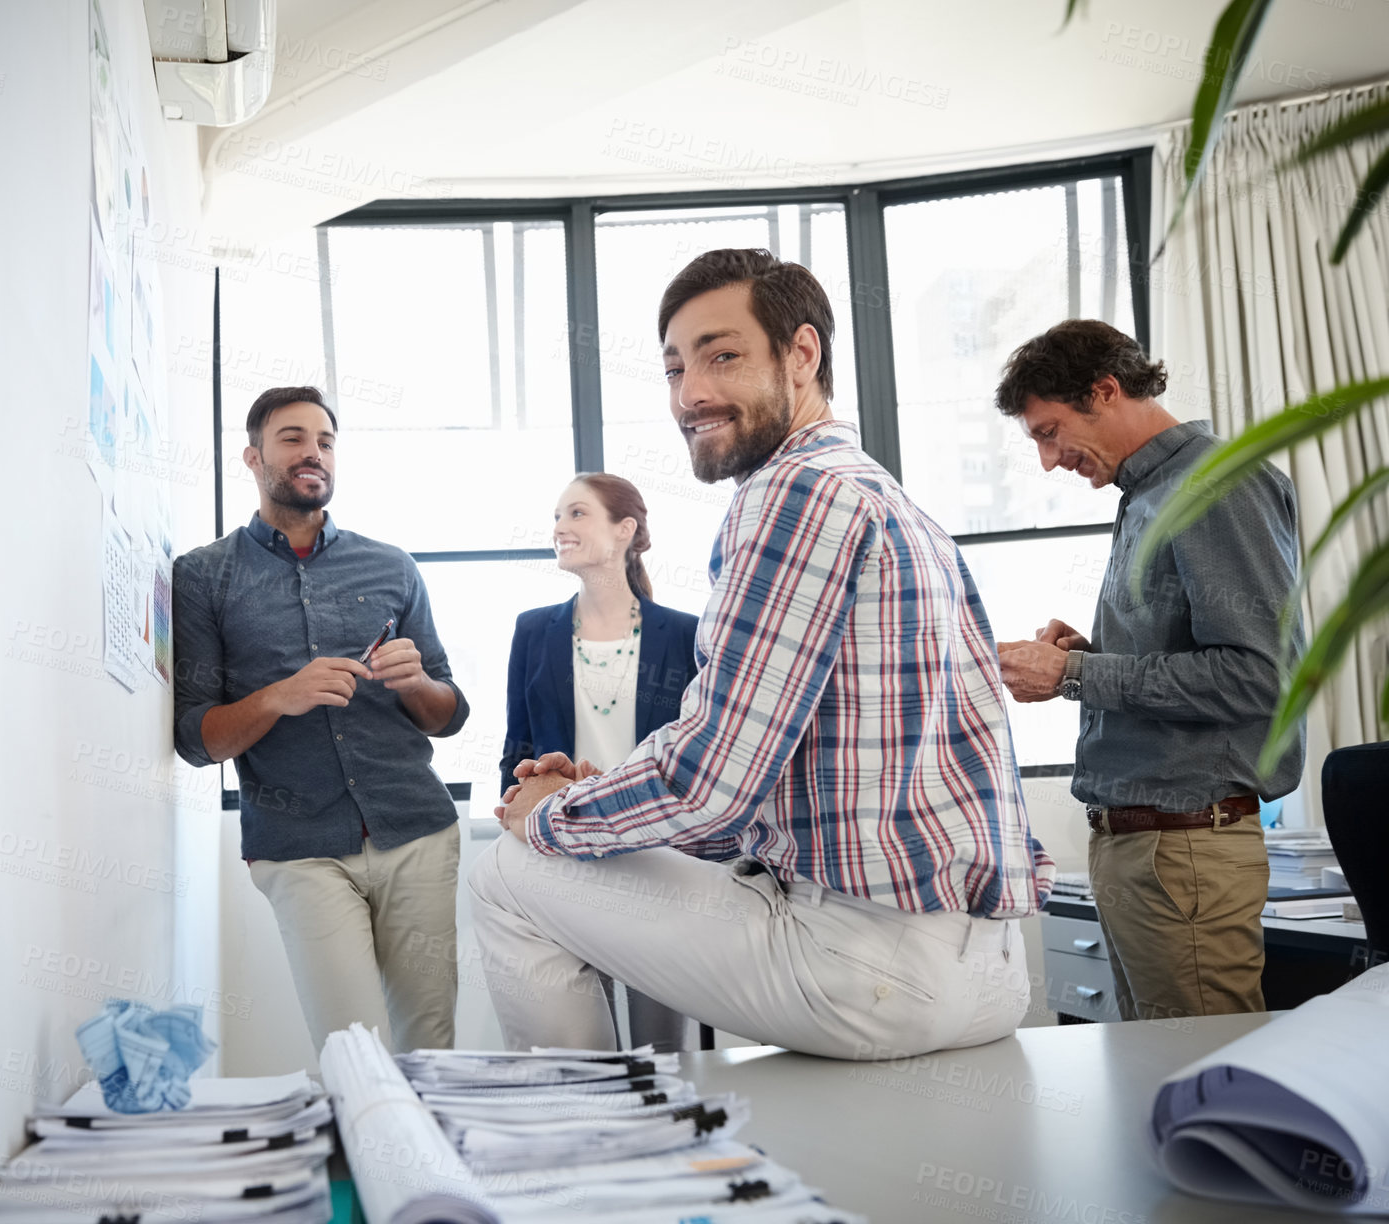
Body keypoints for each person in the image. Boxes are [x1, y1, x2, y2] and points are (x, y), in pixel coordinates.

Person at [469, 249, 1052, 1061]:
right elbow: (761, 782)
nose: (690, 394)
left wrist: (550, 816)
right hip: (986, 970)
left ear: (802, 355)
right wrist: (610, 800)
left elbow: (709, 784)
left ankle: (589, 1145)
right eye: (675, 368)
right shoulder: (890, 499)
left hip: (870, 968)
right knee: (581, 847)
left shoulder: (791, 492)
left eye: (722, 355)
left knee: (506, 872)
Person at [992, 319, 1303, 1022]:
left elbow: (1259, 678)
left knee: (1202, 1087)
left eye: (1049, 432)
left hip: (1185, 851)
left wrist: (1074, 678)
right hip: (1147, 851)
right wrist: (1089, 657)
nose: (1047, 461)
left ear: (1104, 390)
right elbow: (1191, 659)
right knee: (1156, 1087)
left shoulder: (1216, 485)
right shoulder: (1151, 493)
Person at [172, 386, 470, 1053]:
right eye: (293, 439)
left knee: (430, 1047)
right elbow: (197, 740)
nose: (314, 453)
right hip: (298, 846)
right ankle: (368, 1160)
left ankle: (432, 1162)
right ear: (253, 457)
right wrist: (280, 696)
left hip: (415, 830)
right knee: (352, 1050)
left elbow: (448, 714)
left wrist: (418, 681)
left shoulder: (391, 566)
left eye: (326, 441)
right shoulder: (202, 578)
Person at [501, 473, 701, 1051]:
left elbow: (695, 757)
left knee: (669, 1049)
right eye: (557, 516)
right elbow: (517, 750)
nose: (560, 527)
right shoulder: (533, 630)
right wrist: (516, 816)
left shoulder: (686, 636)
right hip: (565, 853)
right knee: (577, 1042)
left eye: (577, 514)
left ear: (625, 530)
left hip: (659, 856)